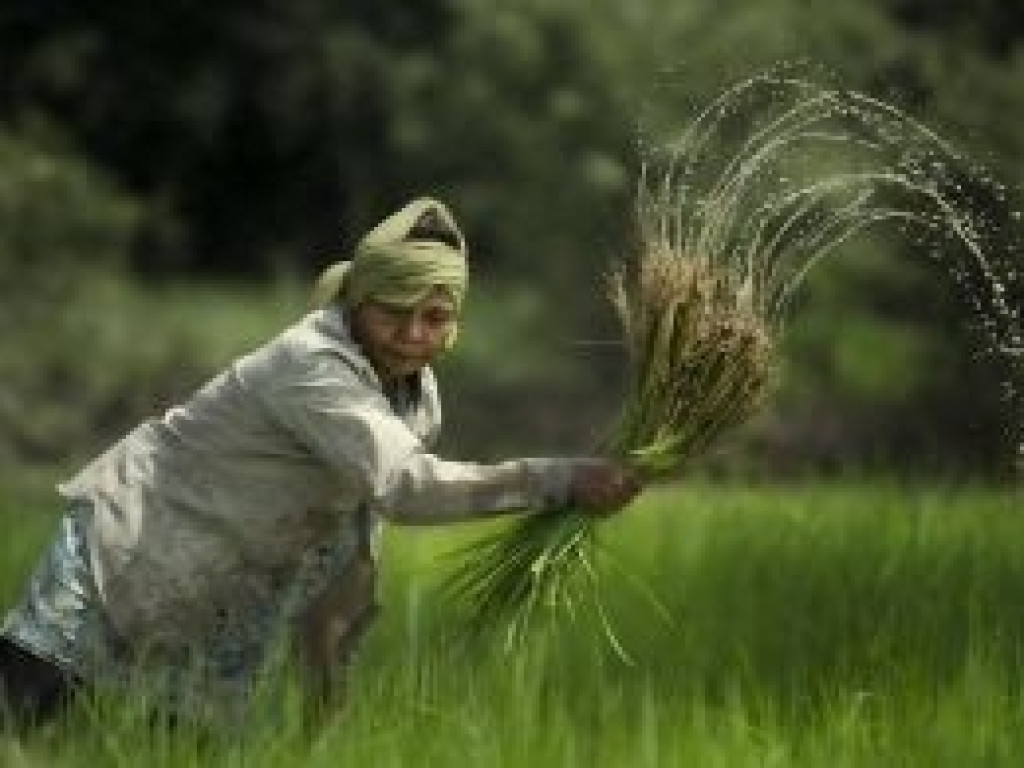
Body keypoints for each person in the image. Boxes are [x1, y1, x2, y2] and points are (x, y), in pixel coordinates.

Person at [0, 197, 642, 729]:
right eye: (394, 311)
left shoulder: (416, 398)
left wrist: (329, 664)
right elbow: (405, 488)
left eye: (436, 317)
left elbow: (354, 535)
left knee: (179, 751)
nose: (414, 334)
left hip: (225, 594)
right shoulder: (311, 366)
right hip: (129, 546)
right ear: (357, 301)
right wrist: (559, 479)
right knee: (22, 715)